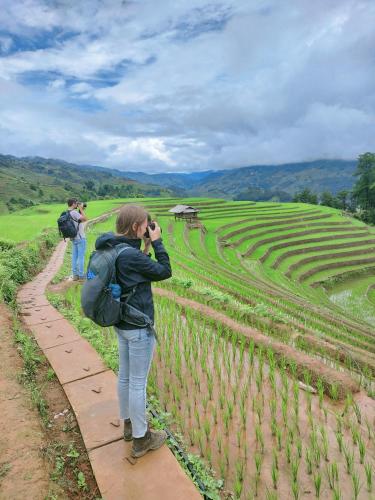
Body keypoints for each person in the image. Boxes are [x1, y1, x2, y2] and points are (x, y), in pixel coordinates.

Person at [94, 205, 172, 458]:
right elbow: (164, 271)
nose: (148, 228)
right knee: (138, 383)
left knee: (125, 377)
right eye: (145, 224)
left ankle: (128, 425)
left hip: (121, 323)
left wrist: (146, 248)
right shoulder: (131, 255)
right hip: (139, 327)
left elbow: (135, 271)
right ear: (136, 226)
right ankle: (142, 438)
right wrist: (158, 243)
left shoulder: (113, 247)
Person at [67, 198, 88, 281]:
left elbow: (79, 221)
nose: (77, 204)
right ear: (73, 204)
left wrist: (80, 210)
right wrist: (81, 209)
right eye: (76, 203)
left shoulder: (67, 213)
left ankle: (75, 275)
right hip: (80, 237)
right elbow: (85, 219)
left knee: (74, 257)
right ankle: (81, 275)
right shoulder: (74, 212)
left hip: (73, 238)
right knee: (81, 257)